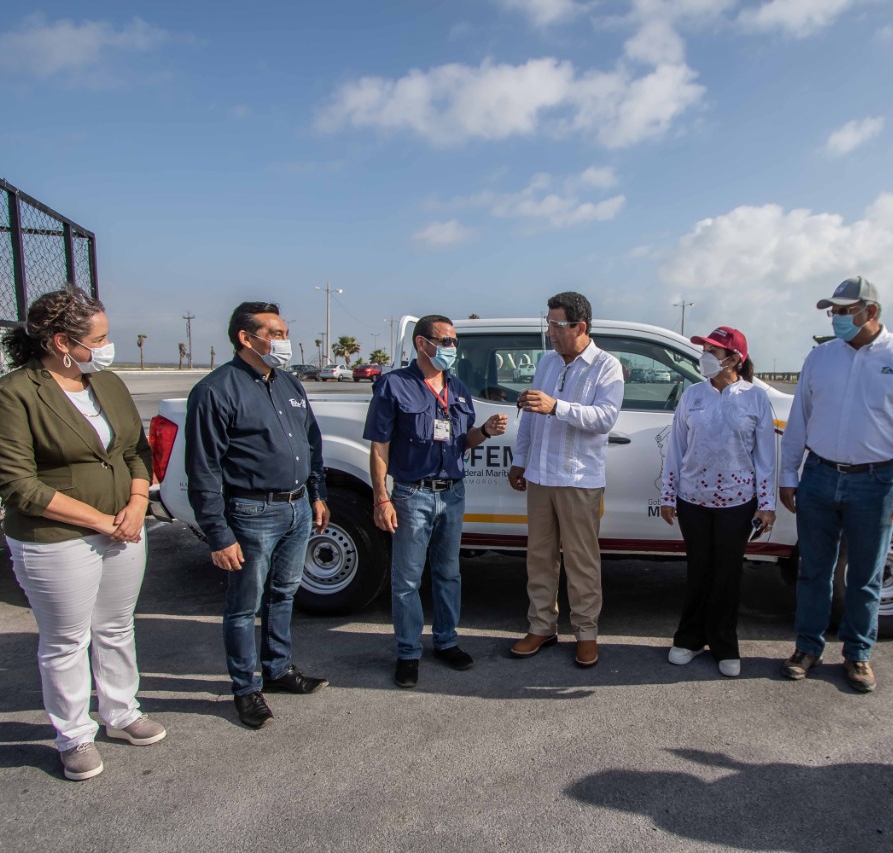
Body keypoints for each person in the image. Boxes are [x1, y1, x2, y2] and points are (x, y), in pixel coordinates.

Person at [0, 285, 164, 781]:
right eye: (97, 339)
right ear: (62, 342)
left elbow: (135, 451)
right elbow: (17, 484)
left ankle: (121, 712)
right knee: (66, 640)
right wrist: (102, 521)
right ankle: (75, 735)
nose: (106, 347)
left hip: (124, 527)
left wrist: (137, 504)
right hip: (57, 538)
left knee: (116, 626)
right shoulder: (9, 395)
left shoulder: (108, 384)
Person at [777, 277, 893, 693]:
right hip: (819, 475)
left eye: (843, 310)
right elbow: (800, 419)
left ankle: (857, 653)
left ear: (871, 311)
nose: (835, 317)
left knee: (865, 575)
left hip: (876, 481)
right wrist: (788, 475)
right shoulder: (821, 358)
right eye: (832, 311)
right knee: (813, 570)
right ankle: (807, 647)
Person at [185, 302, 331, 729]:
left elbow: (311, 444)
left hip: (297, 507)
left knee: (283, 593)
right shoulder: (216, 390)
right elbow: (203, 470)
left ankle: (278, 669)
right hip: (252, 512)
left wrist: (317, 494)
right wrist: (218, 533)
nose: (285, 341)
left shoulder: (288, 383)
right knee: (244, 605)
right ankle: (245, 689)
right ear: (246, 338)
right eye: (276, 334)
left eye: (285, 333)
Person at [364, 315, 508, 688]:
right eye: (445, 341)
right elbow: (380, 446)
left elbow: (462, 441)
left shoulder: (456, 387)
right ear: (421, 343)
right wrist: (381, 497)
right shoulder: (394, 385)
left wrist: (485, 431)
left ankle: (446, 641)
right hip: (412, 494)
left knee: (449, 573)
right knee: (407, 579)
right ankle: (408, 652)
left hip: (452, 493)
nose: (452, 348)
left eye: (454, 342)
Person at [508, 292, 624, 668]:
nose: (550, 333)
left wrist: (556, 406)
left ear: (580, 326)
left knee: (581, 561)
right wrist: (520, 460)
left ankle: (586, 632)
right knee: (540, 557)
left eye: (556, 325)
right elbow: (530, 415)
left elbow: (605, 418)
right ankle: (541, 626)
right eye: (549, 324)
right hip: (540, 475)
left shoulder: (606, 366)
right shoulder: (547, 362)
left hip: (579, 479)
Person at [659, 326, 777, 678]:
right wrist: (668, 494)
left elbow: (765, 457)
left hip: (737, 503)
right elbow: (676, 448)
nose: (705, 357)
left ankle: (724, 644)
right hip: (692, 500)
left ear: (735, 358)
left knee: (727, 574)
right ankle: (689, 639)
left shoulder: (755, 398)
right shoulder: (692, 395)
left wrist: (766, 504)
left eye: (713, 351)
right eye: (705, 350)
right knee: (699, 570)